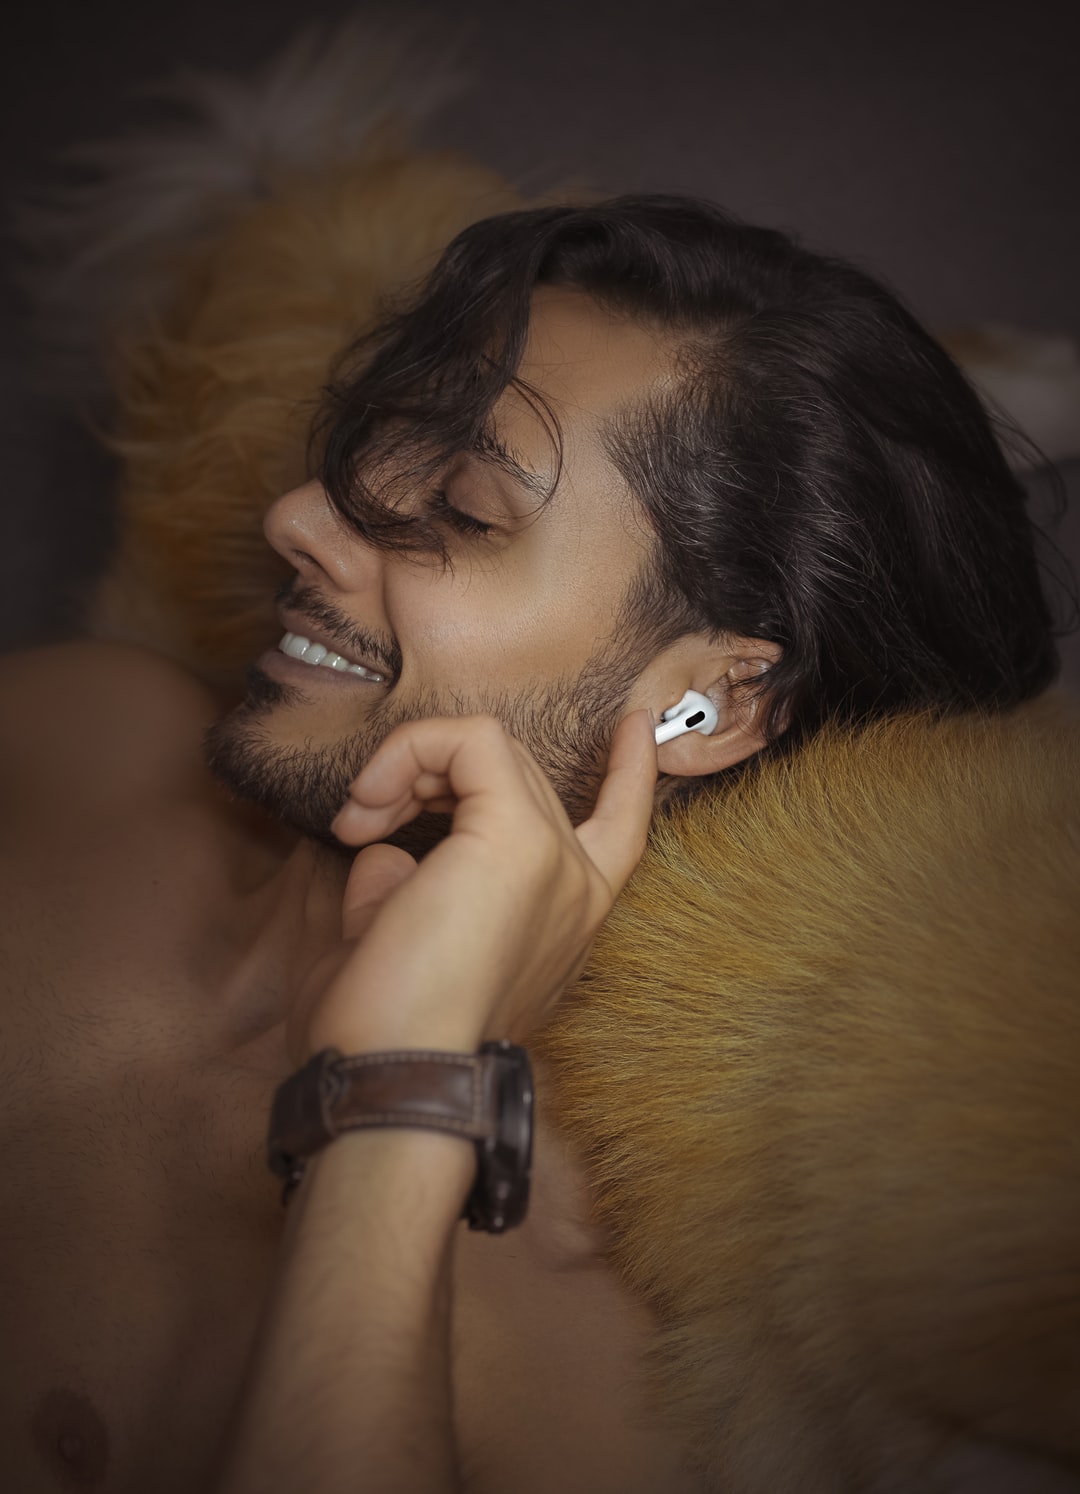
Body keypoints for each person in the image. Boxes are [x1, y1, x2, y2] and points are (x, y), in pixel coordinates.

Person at [4, 139, 1079, 1494]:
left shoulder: (600, 1374)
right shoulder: (82, 737)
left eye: (461, 509)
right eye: (369, 440)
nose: (297, 516)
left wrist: (399, 1098)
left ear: (710, 704)